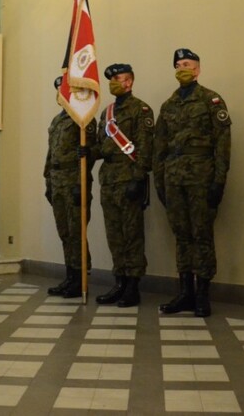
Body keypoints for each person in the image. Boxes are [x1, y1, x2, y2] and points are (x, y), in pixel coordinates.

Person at [154, 49, 231, 317]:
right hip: (173, 178)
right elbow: (159, 148)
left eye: (186, 64)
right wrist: (160, 183)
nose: (181, 68)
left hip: (201, 178)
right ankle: (185, 291)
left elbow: (223, 144)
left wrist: (219, 181)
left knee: (202, 234)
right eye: (177, 65)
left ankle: (202, 294)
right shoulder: (168, 105)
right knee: (181, 235)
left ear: (197, 69)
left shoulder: (211, 100)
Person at [95, 63, 154, 308]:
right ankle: (119, 282)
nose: (114, 83)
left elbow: (145, 147)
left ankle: (132, 287)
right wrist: (88, 151)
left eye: (118, 78)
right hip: (108, 180)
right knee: (114, 236)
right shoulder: (106, 113)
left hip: (129, 178)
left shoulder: (141, 110)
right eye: (111, 79)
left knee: (132, 236)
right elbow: (102, 145)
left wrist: (138, 178)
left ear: (129, 82)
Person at [44, 76, 96, 298]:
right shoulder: (57, 121)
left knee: (76, 231)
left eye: (64, 89)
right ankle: (70, 275)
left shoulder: (83, 120)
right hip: (57, 181)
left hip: (74, 179)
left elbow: (90, 153)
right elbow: (51, 154)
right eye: (58, 90)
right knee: (64, 231)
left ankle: (80, 277)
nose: (60, 94)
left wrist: (80, 183)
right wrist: (48, 181)